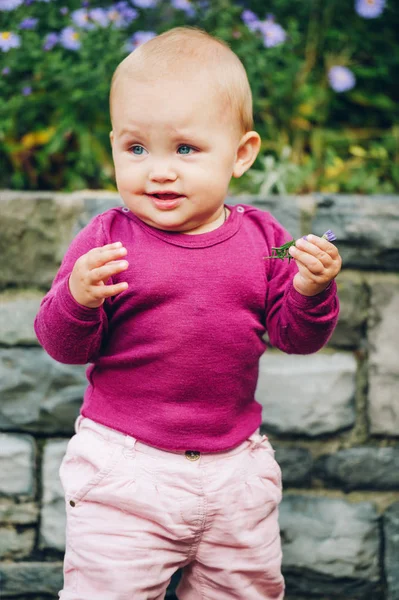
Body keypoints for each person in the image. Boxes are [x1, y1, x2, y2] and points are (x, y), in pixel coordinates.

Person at [34, 26, 341, 600]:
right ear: (115, 148)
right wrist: (77, 299)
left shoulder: (265, 239)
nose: (159, 170)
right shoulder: (106, 240)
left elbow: (294, 336)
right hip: (126, 468)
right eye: (136, 148)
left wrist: (309, 288)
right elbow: (63, 347)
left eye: (185, 148)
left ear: (241, 154)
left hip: (236, 472)